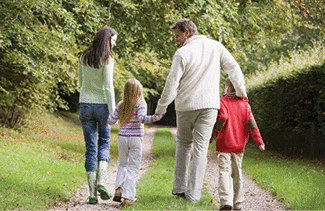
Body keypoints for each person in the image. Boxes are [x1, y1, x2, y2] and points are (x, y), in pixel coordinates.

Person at [155, 19, 247, 203]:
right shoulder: (216, 47)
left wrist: (161, 108)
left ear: (188, 32)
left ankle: (179, 188)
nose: (176, 39)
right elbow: (233, 68)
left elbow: (171, 84)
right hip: (210, 106)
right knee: (200, 149)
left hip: (186, 106)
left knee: (183, 144)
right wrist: (241, 92)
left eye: (178, 35)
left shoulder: (181, 53)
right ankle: (194, 196)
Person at [107, 78, 164, 205]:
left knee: (122, 164)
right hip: (135, 138)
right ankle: (128, 197)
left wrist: (116, 120)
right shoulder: (140, 103)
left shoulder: (121, 104)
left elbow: (110, 120)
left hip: (122, 137)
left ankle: (118, 189)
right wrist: (156, 117)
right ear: (139, 91)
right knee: (133, 167)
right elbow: (141, 119)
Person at [78, 26, 118, 204]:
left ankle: (92, 194)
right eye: (114, 40)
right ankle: (102, 181)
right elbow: (109, 86)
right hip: (102, 106)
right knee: (104, 143)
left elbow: (81, 81)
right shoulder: (107, 59)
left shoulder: (83, 56)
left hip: (85, 104)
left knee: (90, 148)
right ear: (107, 39)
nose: (114, 44)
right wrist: (113, 110)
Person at [213, 77, 265, 210]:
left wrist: (210, 137)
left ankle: (226, 201)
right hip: (239, 146)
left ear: (227, 89)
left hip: (224, 144)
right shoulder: (245, 104)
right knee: (237, 173)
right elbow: (252, 124)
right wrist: (259, 142)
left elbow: (222, 119)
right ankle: (238, 204)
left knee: (224, 171)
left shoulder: (222, 101)